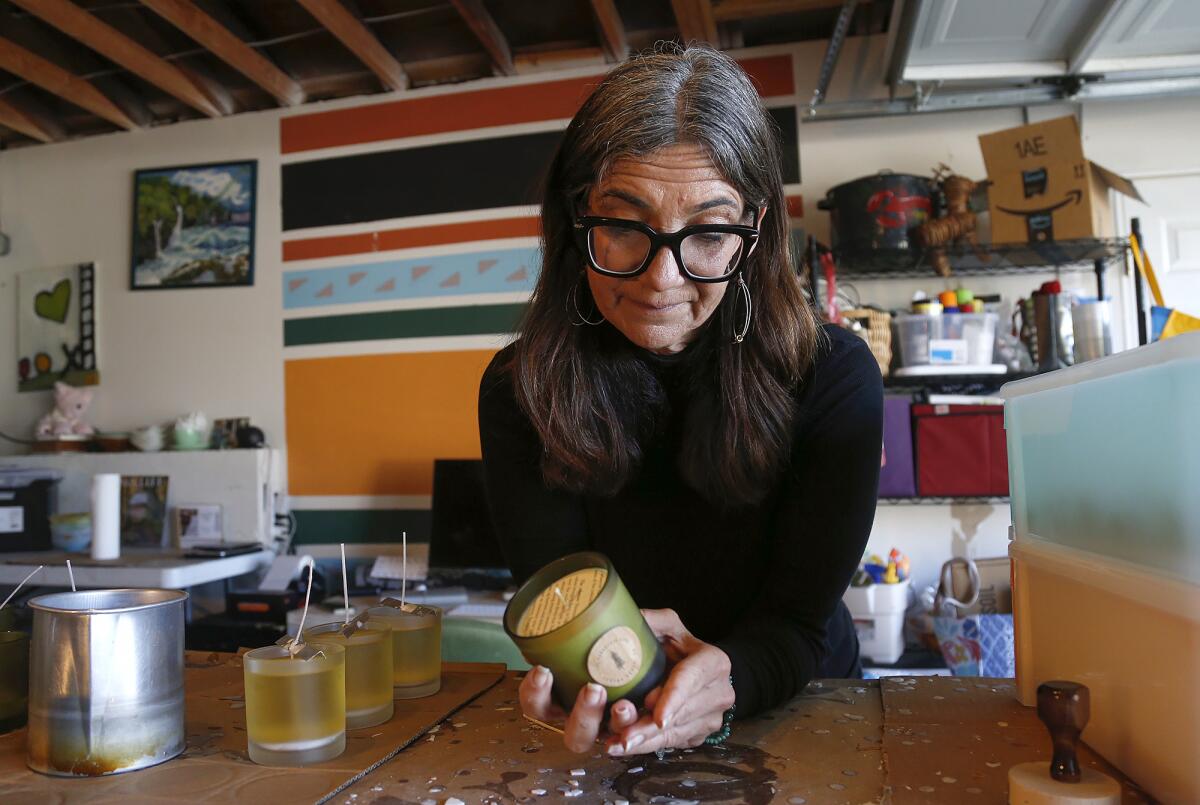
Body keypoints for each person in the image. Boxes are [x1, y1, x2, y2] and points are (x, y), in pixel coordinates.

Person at [478, 44, 882, 757]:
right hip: (630, 714)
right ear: (579, 221)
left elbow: (795, 622)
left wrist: (728, 682)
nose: (662, 277)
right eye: (625, 226)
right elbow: (561, 609)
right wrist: (592, 693)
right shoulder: (522, 389)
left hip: (804, 712)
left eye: (709, 232)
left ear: (751, 234)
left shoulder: (833, 375)